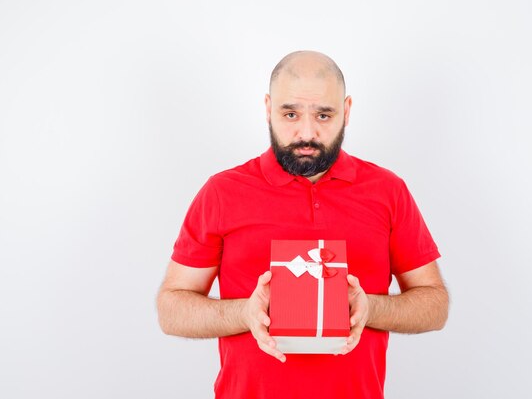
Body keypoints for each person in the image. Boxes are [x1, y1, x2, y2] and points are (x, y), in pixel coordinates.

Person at [156, 50, 449, 399]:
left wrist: (371, 307)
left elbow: (434, 304)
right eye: (290, 113)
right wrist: (245, 313)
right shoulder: (222, 192)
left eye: (324, 115)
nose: (306, 133)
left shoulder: (388, 191)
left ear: (347, 110)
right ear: (268, 108)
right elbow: (172, 309)